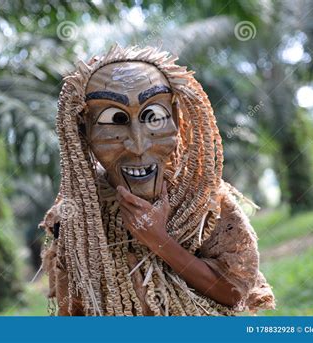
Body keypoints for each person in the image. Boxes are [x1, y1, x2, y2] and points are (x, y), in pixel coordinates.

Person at [40, 45, 275, 316]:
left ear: (175, 119)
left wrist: (158, 240)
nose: (138, 145)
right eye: (114, 120)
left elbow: (234, 294)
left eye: (153, 116)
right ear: (84, 130)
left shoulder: (204, 201)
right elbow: (73, 312)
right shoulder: (74, 221)